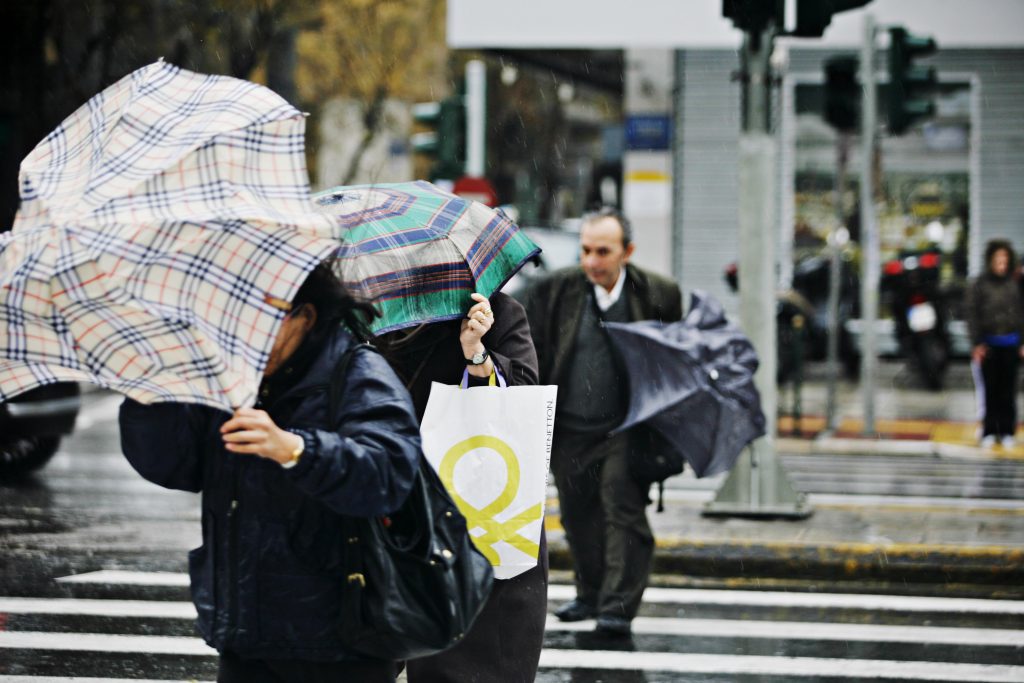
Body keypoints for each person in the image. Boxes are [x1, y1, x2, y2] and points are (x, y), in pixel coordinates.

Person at [119, 263, 423, 682]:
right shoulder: (230, 379)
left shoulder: (354, 373)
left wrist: (297, 449)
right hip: (246, 632)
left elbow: (389, 474)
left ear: (305, 316)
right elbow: (176, 465)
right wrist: (150, 394)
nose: (239, 335)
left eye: (257, 318)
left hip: (340, 642)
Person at [522, 207, 682, 636]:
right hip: (569, 426)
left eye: (603, 251)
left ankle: (617, 606)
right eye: (586, 250)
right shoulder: (554, 291)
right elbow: (532, 350)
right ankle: (589, 593)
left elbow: (674, 363)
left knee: (622, 512)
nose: (592, 261)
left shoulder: (658, 293)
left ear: (626, 252)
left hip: (627, 428)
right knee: (578, 516)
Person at [375, 290, 547, 683]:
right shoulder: (379, 313)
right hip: (399, 501)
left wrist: (477, 354)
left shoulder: (498, 311)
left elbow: (522, 399)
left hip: (482, 503)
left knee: (478, 658)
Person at [965, 239, 1024, 448]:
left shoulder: (1015, 283)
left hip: (1011, 344)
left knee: (1008, 391)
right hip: (989, 345)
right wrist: (977, 343)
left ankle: (1007, 430)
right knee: (990, 391)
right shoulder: (980, 284)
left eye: (1005, 258)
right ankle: (989, 430)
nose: (1002, 262)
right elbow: (972, 315)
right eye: (998, 258)